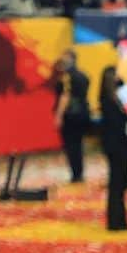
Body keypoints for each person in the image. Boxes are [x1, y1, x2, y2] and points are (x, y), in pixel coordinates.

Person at [99, 65, 127, 232]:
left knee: (120, 184)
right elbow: (117, 125)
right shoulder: (108, 102)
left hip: (119, 145)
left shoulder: (114, 99)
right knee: (117, 184)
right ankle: (115, 221)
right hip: (117, 146)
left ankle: (119, 220)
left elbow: (123, 83)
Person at [52, 49, 89, 184]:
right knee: (78, 145)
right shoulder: (83, 75)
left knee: (71, 146)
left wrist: (59, 115)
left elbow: (65, 97)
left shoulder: (67, 77)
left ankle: (76, 174)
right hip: (82, 113)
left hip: (71, 115)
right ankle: (79, 172)